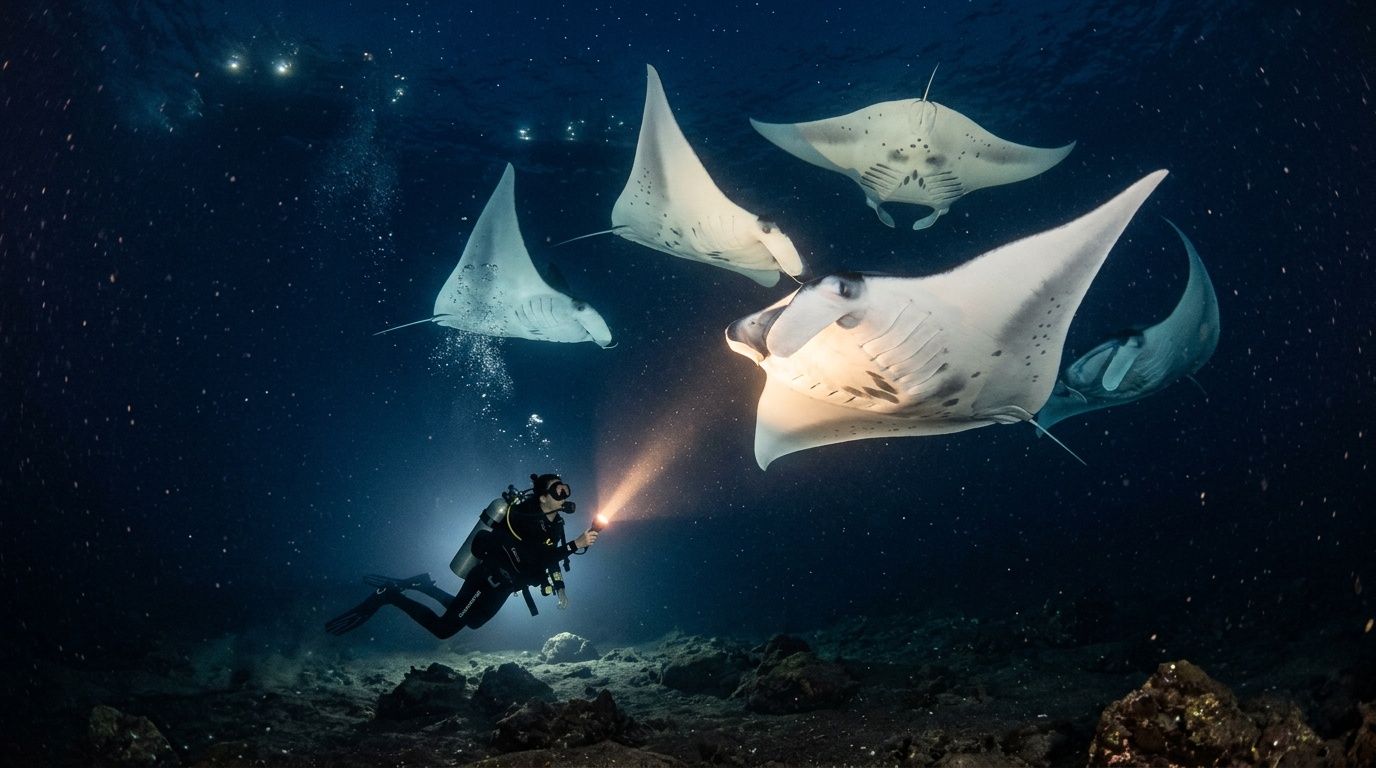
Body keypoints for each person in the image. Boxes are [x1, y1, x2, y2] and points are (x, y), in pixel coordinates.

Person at [325, 473, 599, 638]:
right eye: (556, 490)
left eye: (565, 489)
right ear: (541, 497)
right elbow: (534, 556)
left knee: (474, 622)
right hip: (488, 579)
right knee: (444, 630)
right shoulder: (523, 517)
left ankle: (425, 586)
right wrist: (575, 544)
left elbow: (550, 557)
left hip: (505, 587)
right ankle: (390, 596)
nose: (563, 494)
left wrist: (560, 587)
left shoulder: (555, 525)